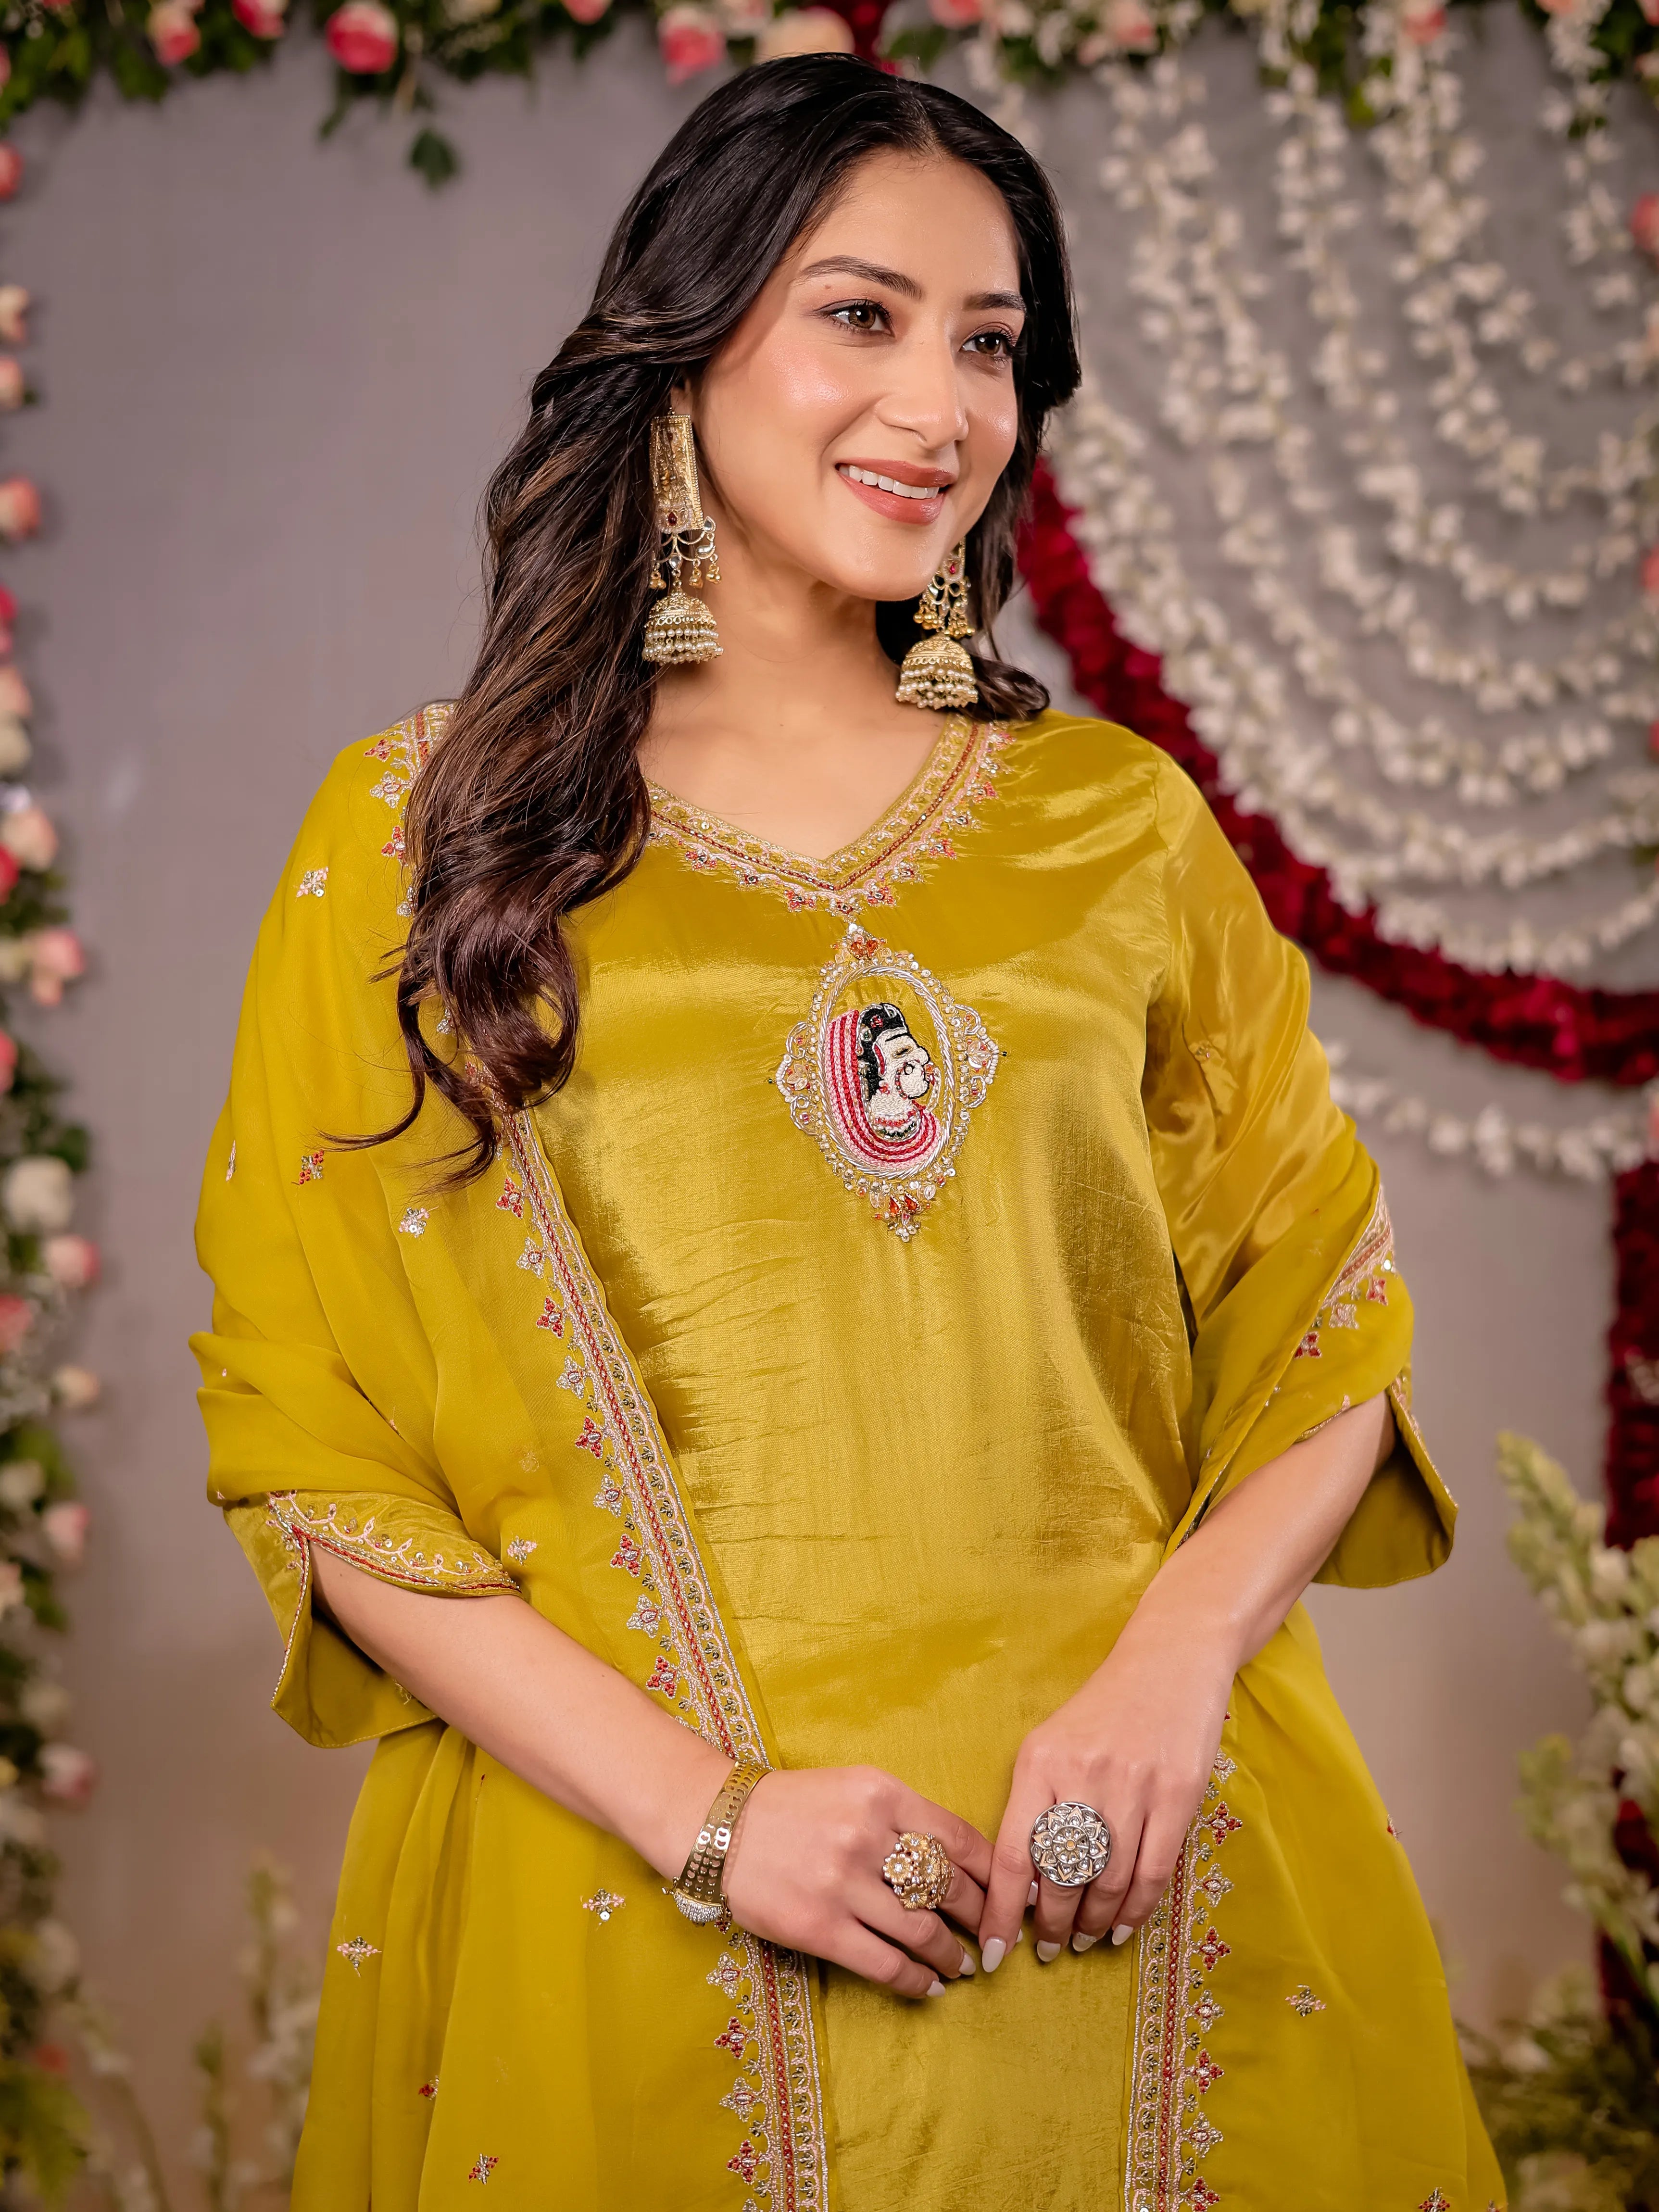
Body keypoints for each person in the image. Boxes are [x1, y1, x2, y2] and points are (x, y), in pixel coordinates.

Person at [193, 54, 1504, 2212]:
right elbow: (312, 1440)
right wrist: (716, 1814)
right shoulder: (426, 840)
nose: (942, 403)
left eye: (989, 345)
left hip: (1130, 1890)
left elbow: (1325, 1315)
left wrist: (1171, 1677)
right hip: (639, 1917)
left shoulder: (1115, 826)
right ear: (687, 338)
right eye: (861, 315)